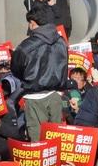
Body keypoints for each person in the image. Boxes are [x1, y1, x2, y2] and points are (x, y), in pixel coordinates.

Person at [12, 9, 69, 141]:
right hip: (56, 94)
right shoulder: (61, 41)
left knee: (37, 142)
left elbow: (16, 69)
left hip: (34, 96)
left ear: (32, 23)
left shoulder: (26, 46)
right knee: (57, 140)